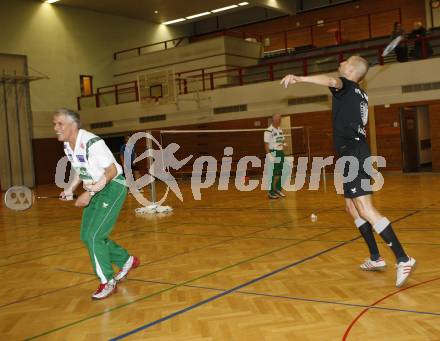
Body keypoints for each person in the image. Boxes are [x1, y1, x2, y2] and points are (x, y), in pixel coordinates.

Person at [280, 56, 416, 287]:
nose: (341, 62)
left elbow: (333, 81)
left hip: (354, 152)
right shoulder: (359, 92)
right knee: (351, 207)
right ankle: (375, 257)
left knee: (365, 207)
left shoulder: (347, 85)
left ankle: (403, 258)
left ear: (351, 69)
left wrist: (299, 78)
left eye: (346, 61)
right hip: (349, 153)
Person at [54, 108, 139, 300]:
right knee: (87, 236)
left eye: (60, 124)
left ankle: (108, 281)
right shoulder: (68, 146)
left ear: (73, 125)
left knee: (94, 236)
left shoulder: (92, 142)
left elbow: (109, 172)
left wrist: (89, 193)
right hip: (94, 189)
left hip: (113, 187)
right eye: (55, 124)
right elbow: (79, 170)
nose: (56, 128)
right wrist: (70, 189)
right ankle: (126, 259)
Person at [264, 114, 286, 199]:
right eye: (278, 120)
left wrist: (284, 143)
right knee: (274, 173)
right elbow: (266, 144)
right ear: (273, 120)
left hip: (280, 152)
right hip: (273, 152)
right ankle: (271, 192)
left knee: (280, 172)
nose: (279, 121)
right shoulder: (268, 131)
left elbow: (281, 139)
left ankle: (277, 189)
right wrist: (269, 155)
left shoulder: (280, 129)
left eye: (280, 119)